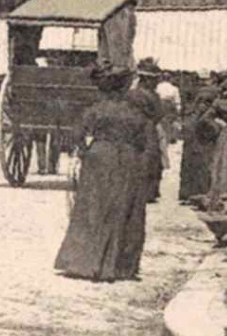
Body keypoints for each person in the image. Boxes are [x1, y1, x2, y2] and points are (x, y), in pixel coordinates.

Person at [54, 60, 154, 281]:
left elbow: (76, 135)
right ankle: (119, 266)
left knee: (93, 206)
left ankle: (84, 262)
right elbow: (143, 142)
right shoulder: (135, 113)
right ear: (125, 87)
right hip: (128, 159)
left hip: (99, 156)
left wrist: (83, 151)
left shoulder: (96, 110)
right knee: (124, 208)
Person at [176, 75, 222, 204]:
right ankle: (200, 191)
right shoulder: (213, 92)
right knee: (203, 162)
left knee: (190, 162)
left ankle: (187, 193)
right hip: (202, 131)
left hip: (192, 128)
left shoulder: (196, 91)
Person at [127, 59, 166, 204]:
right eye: (155, 80)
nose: (156, 83)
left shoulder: (131, 93)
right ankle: (148, 191)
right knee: (151, 159)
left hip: (134, 129)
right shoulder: (152, 96)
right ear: (148, 79)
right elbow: (159, 114)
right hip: (148, 129)